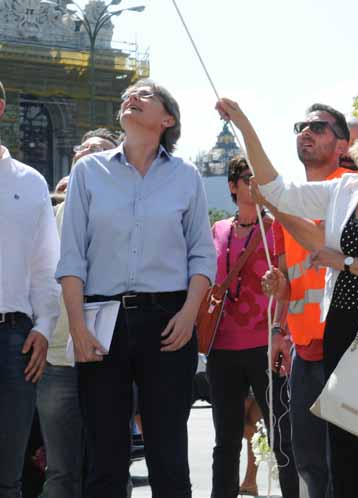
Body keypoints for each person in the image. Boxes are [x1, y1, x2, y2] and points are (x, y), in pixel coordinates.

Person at [218, 98, 358, 498]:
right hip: (343, 329)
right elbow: (277, 191)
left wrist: (347, 261)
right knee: (348, 458)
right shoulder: (343, 189)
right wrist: (245, 124)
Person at [56, 79, 216, 498]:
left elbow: (202, 255)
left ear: (167, 119)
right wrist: (77, 325)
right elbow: (72, 256)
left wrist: (188, 314)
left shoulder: (187, 176)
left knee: (168, 456)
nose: (132, 96)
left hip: (169, 322)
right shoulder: (88, 171)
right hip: (100, 320)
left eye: (145, 95)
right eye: (129, 94)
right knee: (105, 458)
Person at [253, 102, 353, 498]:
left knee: (343, 462)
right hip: (304, 351)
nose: (305, 133)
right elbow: (289, 279)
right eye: (301, 126)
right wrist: (278, 323)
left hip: (348, 346)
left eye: (318, 127)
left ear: (343, 144)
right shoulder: (290, 199)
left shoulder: (354, 190)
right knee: (308, 459)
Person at [207, 156, 298, 498]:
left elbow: (290, 283)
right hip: (222, 347)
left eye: (259, 177)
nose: (255, 183)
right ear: (232, 186)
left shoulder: (277, 226)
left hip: (266, 343)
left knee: (281, 435)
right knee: (226, 440)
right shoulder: (218, 230)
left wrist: (282, 332)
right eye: (247, 178)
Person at [36, 129, 120, 498]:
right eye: (82, 148)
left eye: (100, 149)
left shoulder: (123, 220)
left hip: (110, 357)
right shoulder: (46, 217)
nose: (87, 153)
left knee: (109, 467)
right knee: (60, 470)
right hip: (57, 359)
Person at [0, 80, 61, 497]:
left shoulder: (31, 182)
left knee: (9, 476)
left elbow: (46, 266)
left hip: (14, 340)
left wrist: (43, 327)